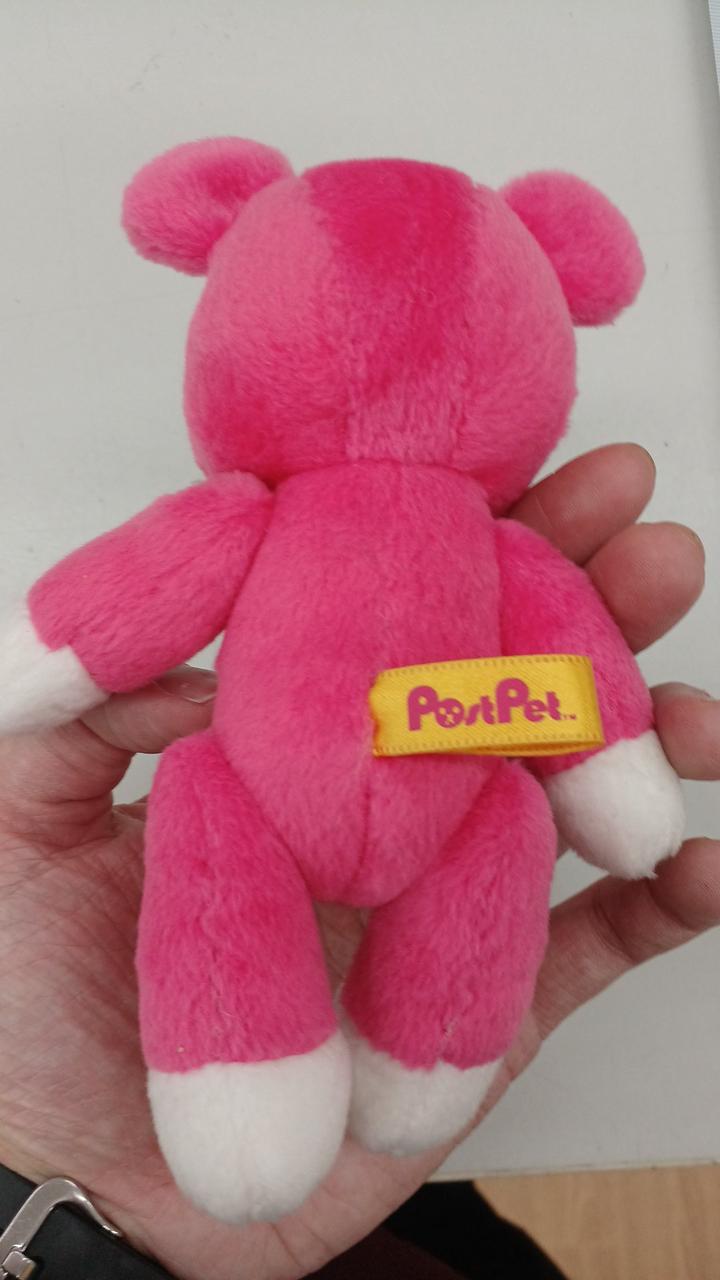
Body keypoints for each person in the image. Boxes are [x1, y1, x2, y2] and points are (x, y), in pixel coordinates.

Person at [0, 443, 716, 1280]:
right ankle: (251, 1077)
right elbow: (132, 590)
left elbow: (566, 637)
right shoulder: (253, 512)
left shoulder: (495, 546)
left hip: (455, 791)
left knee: (504, 824)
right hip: (255, 787)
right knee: (209, 818)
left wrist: (606, 761)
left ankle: (409, 1060)